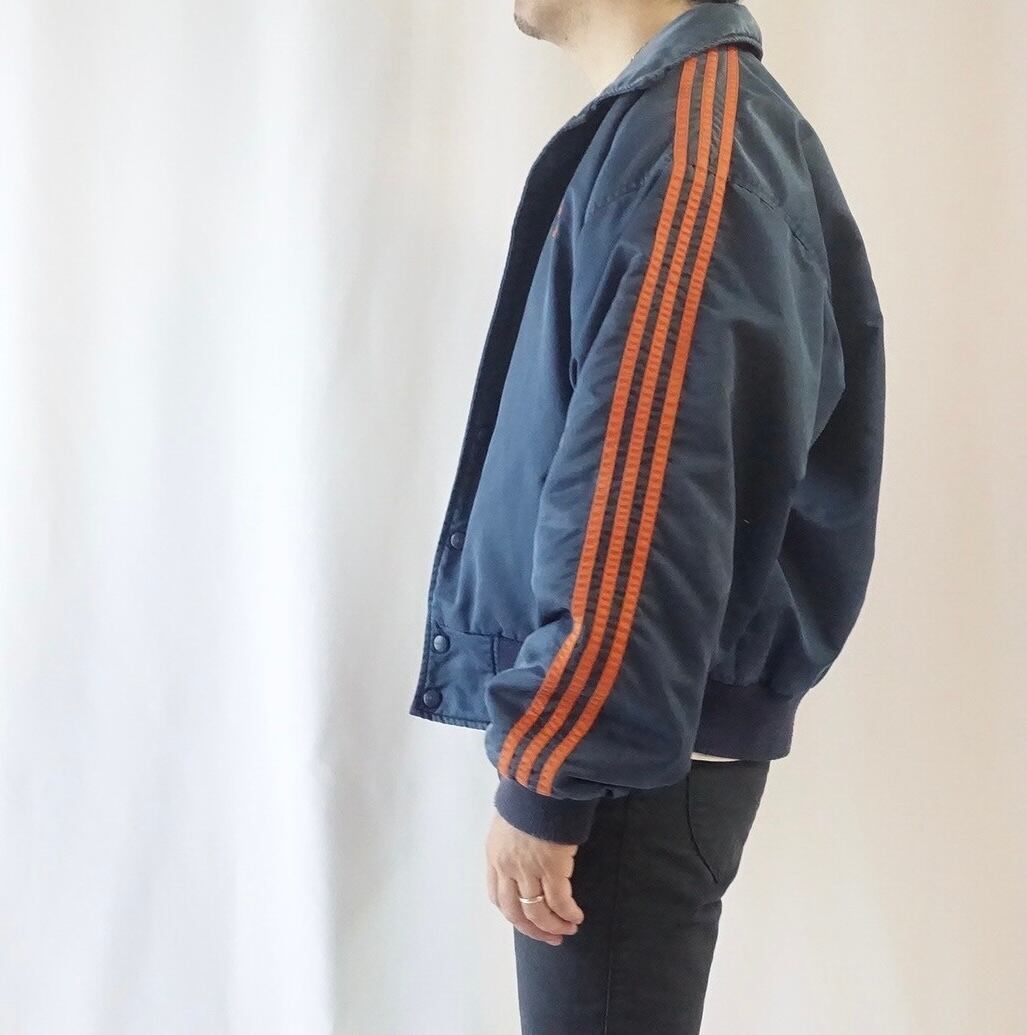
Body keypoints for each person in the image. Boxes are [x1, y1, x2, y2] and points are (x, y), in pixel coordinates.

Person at [409, 1, 885, 1030]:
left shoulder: (690, 146)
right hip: (638, 736)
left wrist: (556, 764)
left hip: (629, 757)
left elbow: (648, 499)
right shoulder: (682, 126)